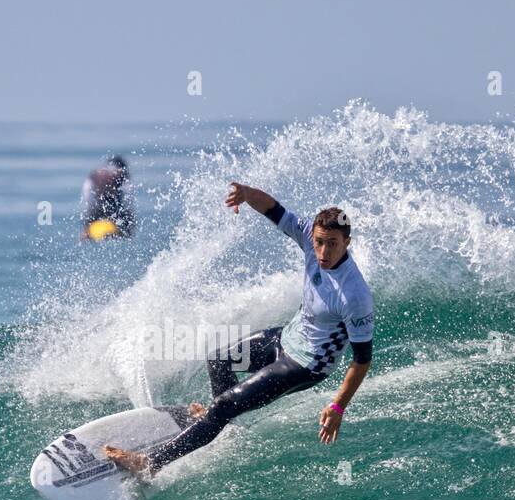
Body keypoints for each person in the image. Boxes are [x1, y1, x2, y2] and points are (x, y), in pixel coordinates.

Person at [104, 182, 375, 474]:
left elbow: (362, 360)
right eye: (320, 242)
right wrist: (246, 194)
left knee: (222, 404)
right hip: (285, 340)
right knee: (219, 360)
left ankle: (149, 463)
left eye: (332, 244)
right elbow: (275, 210)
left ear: (347, 242)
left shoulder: (355, 295)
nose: (322, 251)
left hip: (306, 365)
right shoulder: (310, 238)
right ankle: (223, 425)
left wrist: (337, 407)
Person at [80, 155, 136, 240]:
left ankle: (83, 236)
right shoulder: (123, 175)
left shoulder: (94, 174)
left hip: (96, 205)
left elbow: (87, 195)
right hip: (114, 206)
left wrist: (89, 217)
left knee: (88, 225)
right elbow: (128, 198)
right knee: (128, 228)